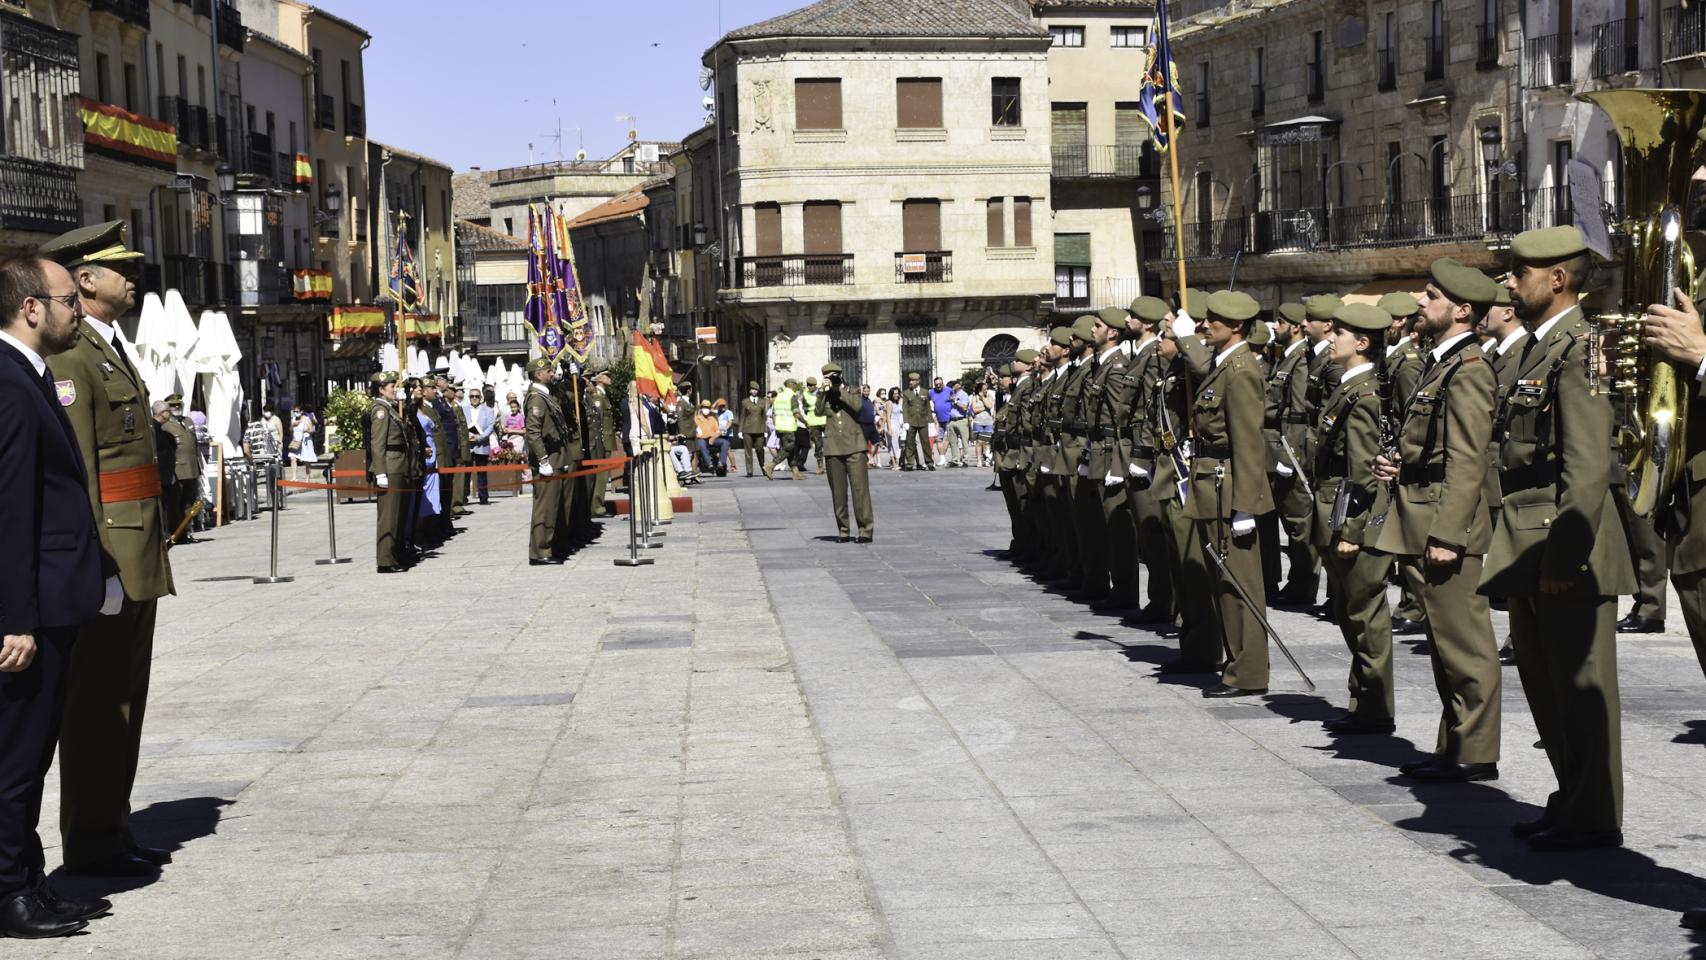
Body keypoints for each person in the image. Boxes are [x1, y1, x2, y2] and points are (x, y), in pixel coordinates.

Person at [1483, 226, 1633, 849]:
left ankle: (1593, 815)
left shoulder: (1581, 347)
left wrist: (1565, 558)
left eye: (1518, 274)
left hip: (1566, 544)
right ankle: (1571, 797)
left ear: (1557, 279)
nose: (1509, 284)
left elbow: (1587, 463)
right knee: (1547, 686)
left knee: (1581, 686)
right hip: (1531, 542)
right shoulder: (1537, 348)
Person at [35, 221, 173, 879]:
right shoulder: (72, 356)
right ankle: (91, 840)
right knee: (98, 706)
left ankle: (112, 828)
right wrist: (94, 565)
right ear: (85, 279)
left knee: (127, 699)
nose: (134, 275)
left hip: (138, 547)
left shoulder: (109, 347)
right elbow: (78, 471)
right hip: (111, 553)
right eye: (122, 266)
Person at [0, 256, 124, 936]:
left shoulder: (28, 375)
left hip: (53, 602)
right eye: (65, 299)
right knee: (15, 762)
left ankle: (28, 881)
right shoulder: (10, 384)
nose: (77, 307)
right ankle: (8, 894)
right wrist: (14, 618)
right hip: (31, 613)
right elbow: (11, 508)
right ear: (30, 309)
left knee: (32, 755)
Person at [1372, 257, 1502, 783]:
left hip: (1448, 526)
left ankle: (1475, 752)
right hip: (1425, 514)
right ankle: (1454, 744)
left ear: (1463, 309)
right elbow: (1439, 448)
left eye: (1431, 295)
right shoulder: (1440, 363)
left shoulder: (1468, 370)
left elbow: (1469, 460)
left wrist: (1448, 534)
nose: (1420, 302)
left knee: (1464, 643)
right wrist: (1402, 462)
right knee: (1445, 643)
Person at [1181, 291, 1273, 697]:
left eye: (1211, 320)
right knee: (1223, 582)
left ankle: (1248, 672)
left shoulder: (1241, 370)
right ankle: (1236, 663)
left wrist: (1245, 507)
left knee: (1240, 584)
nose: (1203, 326)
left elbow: (1248, 442)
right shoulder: (1224, 365)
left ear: (1235, 326)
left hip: (1229, 487)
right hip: (1212, 483)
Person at [1312, 303, 1397, 734]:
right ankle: (1363, 701)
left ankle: (1375, 707)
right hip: (1337, 514)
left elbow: (1364, 474)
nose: (1330, 338)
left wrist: (1353, 532)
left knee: (1364, 614)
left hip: (1353, 518)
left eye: (1338, 333)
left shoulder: (1362, 396)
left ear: (1362, 343)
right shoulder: (1347, 387)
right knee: (1349, 613)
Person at [816, 363, 873, 542]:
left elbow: (857, 407)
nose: (830, 378)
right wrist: (824, 392)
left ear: (840, 375)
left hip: (855, 446)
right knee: (838, 493)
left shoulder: (853, 390)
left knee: (860, 490)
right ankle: (843, 530)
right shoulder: (822, 394)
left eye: (833, 375)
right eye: (827, 375)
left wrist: (838, 388)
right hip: (833, 447)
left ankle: (865, 530)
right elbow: (818, 412)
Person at [523, 358, 571, 564]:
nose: (552, 374)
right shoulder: (536, 398)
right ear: (537, 374)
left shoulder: (546, 396)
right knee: (545, 507)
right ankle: (540, 551)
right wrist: (543, 460)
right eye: (548, 371)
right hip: (548, 457)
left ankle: (551, 546)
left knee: (555, 506)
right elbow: (533, 433)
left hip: (556, 456)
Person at [365, 372, 410, 573]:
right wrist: (380, 472)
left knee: (398, 516)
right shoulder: (380, 411)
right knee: (388, 517)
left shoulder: (389, 408)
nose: (395, 388)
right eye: (392, 386)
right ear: (381, 389)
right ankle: (385, 560)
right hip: (389, 467)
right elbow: (377, 444)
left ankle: (396, 555)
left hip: (397, 465)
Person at [466, 385, 496, 505]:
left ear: (481, 397)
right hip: (468, 445)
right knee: (465, 473)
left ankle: (483, 498)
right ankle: (463, 497)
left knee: (482, 473)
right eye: (472, 396)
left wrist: (479, 437)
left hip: (482, 445)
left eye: (477, 396)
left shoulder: (488, 410)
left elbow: (491, 426)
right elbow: (461, 426)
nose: (474, 398)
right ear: (469, 397)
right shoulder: (463, 409)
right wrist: (469, 437)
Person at [772, 379, 804, 479]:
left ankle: (796, 473)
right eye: (795, 385)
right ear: (791, 385)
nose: (796, 387)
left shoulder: (779, 396)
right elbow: (797, 413)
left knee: (791, 450)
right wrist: (806, 423)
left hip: (779, 427)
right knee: (788, 449)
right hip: (788, 427)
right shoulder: (791, 396)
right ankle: (770, 466)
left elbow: (774, 413)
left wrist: (775, 425)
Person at [901, 373, 933, 470]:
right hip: (911, 421)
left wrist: (930, 420)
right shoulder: (906, 393)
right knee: (910, 443)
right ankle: (910, 463)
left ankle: (929, 463)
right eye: (910, 380)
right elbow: (905, 408)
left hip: (923, 421)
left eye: (913, 380)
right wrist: (905, 421)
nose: (911, 382)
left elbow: (928, 407)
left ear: (918, 381)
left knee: (925, 443)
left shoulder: (925, 392)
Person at [738, 381, 768, 477]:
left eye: (756, 390)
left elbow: (764, 417)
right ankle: (749, 471)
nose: (754, 391)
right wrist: (740, 430)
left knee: (760, 449)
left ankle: (763, 467)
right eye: (752, 389)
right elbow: (742, 416)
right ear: (750, 390)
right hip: (747, 429)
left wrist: (766, 430)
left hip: (759, 429)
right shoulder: (745, 402)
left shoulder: (762, 402)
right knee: (748, 451)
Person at [802, 376, 827, 474]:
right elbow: (804, 406)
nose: (809, 387)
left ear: (815, 385)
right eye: (808, 385)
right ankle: (820, 465)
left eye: (811, 385)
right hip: (813, 421)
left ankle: (832, 463)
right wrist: (807, 413)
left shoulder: (822, 392)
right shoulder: (805, 394)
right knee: (818, 444)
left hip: (824, 420)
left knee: (830, 442)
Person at [694, 401, 722, 472]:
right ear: (701, 409)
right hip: (701, 438)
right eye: (704, 407)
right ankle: (709, 463)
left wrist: (713, 438)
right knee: (701, 444)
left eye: (708, 408)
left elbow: (718, 431)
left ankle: (720, 462)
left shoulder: (712, 419)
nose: (706, 410)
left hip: (711, 439)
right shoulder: (696, 419)